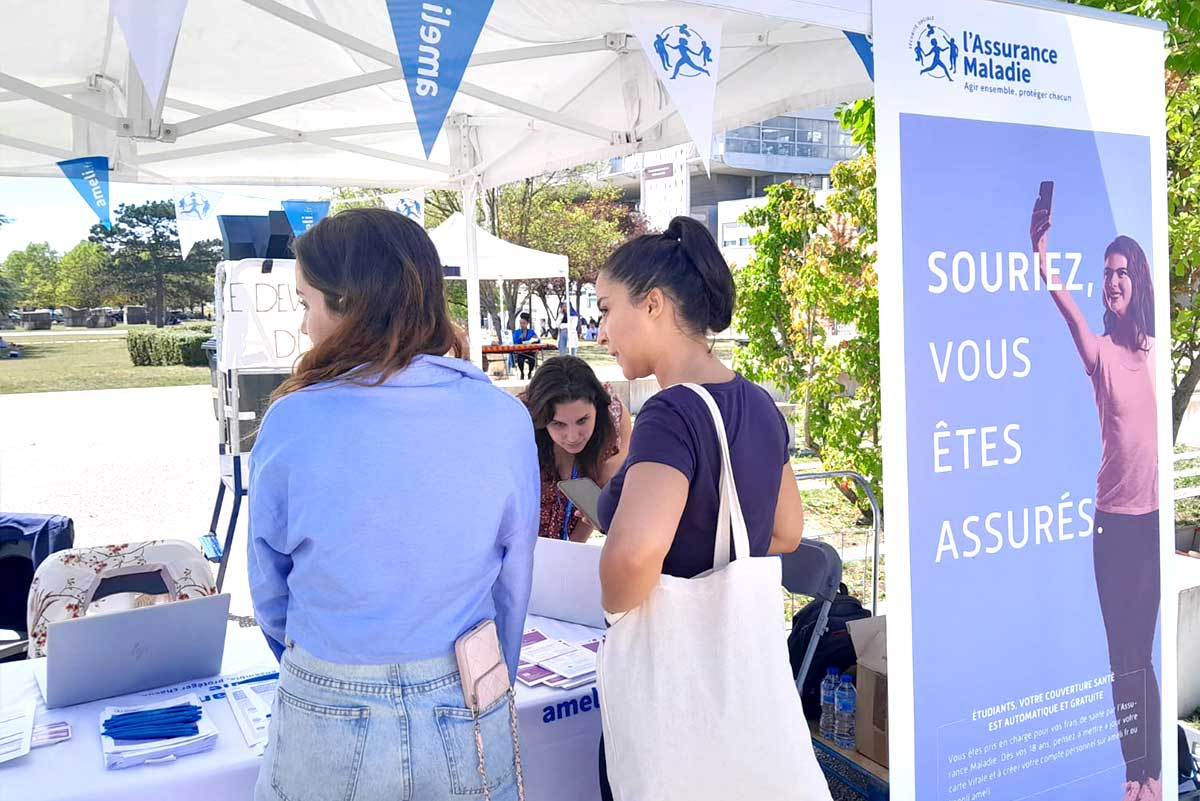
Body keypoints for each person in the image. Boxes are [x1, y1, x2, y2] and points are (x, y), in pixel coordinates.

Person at [247, 208, 539, 801]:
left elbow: (269, 588)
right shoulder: (502, 417)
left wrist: (322, 664)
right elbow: (513, 581)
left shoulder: (293, 419)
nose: (305, 327)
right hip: (464, 690)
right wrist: (483, 671)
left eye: (307, 304)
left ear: (348, 303)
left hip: (327, 688)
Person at [592, 216, 806, 799]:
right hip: (742, 675)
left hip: (671, 682)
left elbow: (634, 555)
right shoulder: (760, 403)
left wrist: (614, 604)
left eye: (608, 309)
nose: (602, 330)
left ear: (654, 304)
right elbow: (788, 530)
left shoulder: (673, 412)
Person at [1031, 205, 1162, 801]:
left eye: (1121, 272)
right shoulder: (1100, 353)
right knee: (1123, 659)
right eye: (1106, 272)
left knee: (1144, 654)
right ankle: (1132, 777)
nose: (1111, 280)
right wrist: (1041, 252)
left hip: (1154, 526)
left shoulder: (1156, 356)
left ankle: (1153, 774)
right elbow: (1062, 303)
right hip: (1112, 528)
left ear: (1137, 281)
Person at [523, 356, 630, 542]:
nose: (572, 437)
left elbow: (594, 503)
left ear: (597, 406)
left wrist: (570, 551)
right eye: (558, 424)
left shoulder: (614, 421)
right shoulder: (519, 423)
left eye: (582, 420)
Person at [512, 312, 540, 379]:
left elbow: (537, 341)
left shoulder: (531, 331)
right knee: (520, 359)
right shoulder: (517, 332)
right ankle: (522, 373)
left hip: (530, 350)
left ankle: (530, 373)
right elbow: (513, 341)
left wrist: (536, 338)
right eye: (521, 323)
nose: (522, 325)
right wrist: (519, 339)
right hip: (520, 351)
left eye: (524, 323)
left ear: (527, 323)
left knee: (532, 359)